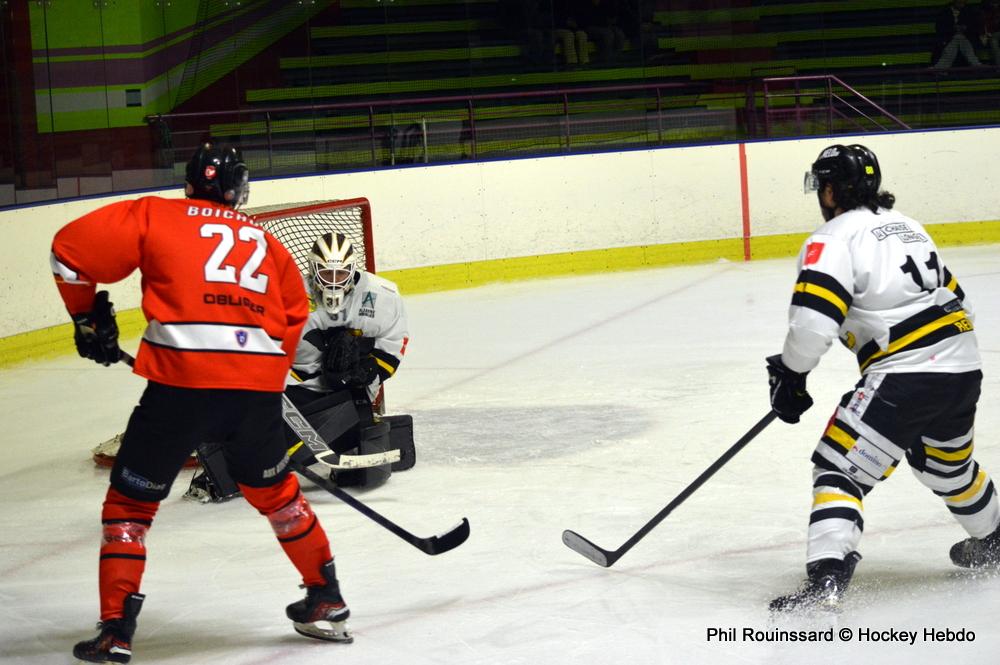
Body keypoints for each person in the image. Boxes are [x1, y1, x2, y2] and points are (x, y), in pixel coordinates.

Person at [51, 143, 353, 663]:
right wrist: (257, 382)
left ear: (190, 183)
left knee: (129, 506)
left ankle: (116, 630)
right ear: (239, 191)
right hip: (254, 394)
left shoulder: (154, 214)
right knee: (278, 495)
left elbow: (69, 254)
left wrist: (87, 319)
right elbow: (291, 316)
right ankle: (326, 596)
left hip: (180, 390)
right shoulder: (266, 242)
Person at [765, 144, 1000, 612]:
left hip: (905, 376)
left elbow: (813, 323)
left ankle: (827, 581)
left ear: (830, 190)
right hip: (962, 367)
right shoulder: (909, 226)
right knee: (946, 467)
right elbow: (961, 302)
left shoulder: (833, 238)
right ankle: (994, 539)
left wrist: (791, 375)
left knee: (839, 469)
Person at [187, 230, 411, 501]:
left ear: (353, 270)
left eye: (341, 274)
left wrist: (369, 370)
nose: (334, 281)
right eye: (326, 273)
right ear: (312, 270)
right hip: (299, 382)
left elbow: (393, 342)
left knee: (362, 462)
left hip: (351, 388)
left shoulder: (381, 296)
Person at [932, 0, 983, 69]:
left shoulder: (970, 10)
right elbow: (940, 27)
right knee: (957, 38)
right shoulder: (945, 11)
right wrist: (953, 29)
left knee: (959, 38)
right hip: (948, 38)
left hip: (967, 37)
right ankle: (976, 64)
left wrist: (965, 28)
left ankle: (940, 68)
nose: (961, 2)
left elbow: (975, 26)